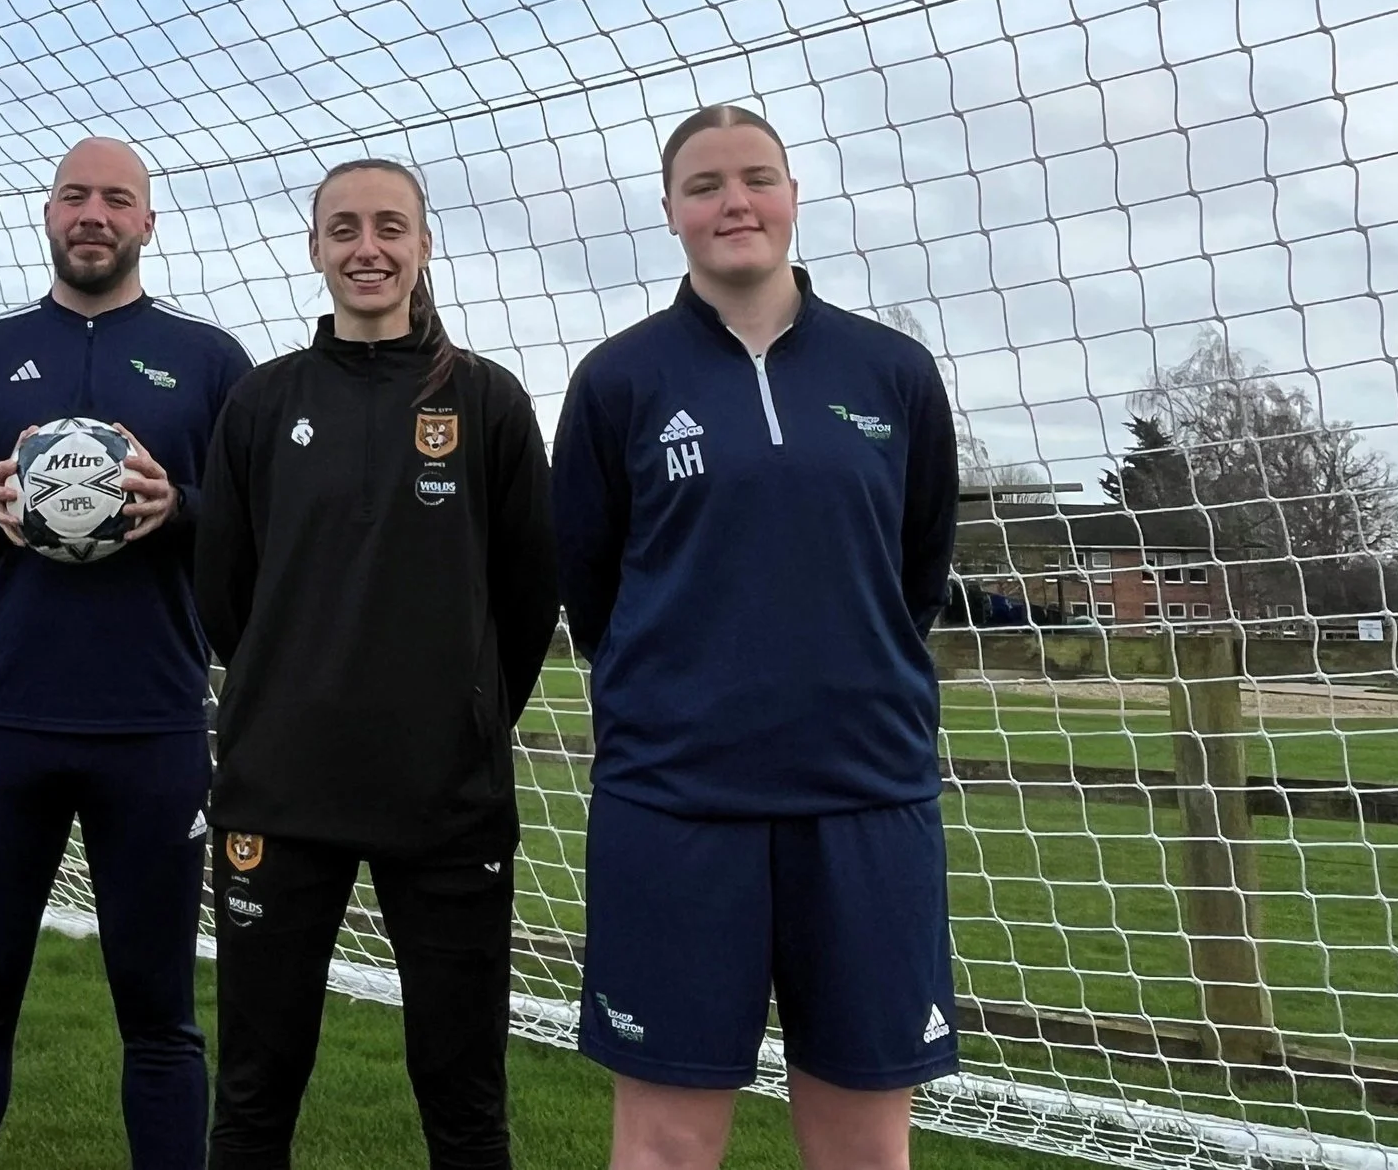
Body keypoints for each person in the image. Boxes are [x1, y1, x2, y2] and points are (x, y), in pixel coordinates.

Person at [550, 104, 960, 1170]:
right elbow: (592, 590)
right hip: (676, 803)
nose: (735, 202)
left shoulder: (893, 373)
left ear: (791, 196)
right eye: (705, 185)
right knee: (667, 1143)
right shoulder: (618, 381)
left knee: (865, 1145)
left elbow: (914, 574)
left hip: (865, 797)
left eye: (756, 178)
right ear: (670, 212)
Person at [0, 135, 253, 1170]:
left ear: (148, 222)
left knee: (161, 1016)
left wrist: (180, 506)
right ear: (48, 215)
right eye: (75, 196)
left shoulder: (209, 358)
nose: (94, 213)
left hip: (153, 727)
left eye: (117, 199)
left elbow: (267, 518)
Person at [195, 158, 559, 1170]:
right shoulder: (262, 402)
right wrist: (291, 693)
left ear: (423, 245)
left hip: (445, 800)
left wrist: (461, 714)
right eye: (345, 228)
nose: (368, 248)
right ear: (314, 247)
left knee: (465, 1101)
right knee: (253, 1097)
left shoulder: (486, 401)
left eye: (390, 227)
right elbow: (224, 594)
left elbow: (528, 597)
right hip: (279, 794)